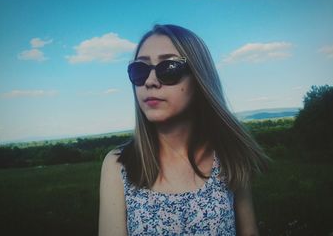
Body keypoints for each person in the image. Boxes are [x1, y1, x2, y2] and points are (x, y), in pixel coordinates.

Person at [99, 24, 268, 236]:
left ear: (199, 78)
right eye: (139, 70)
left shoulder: (228, 156)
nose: (150, 81)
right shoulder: (118, 165)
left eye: (168, 68)